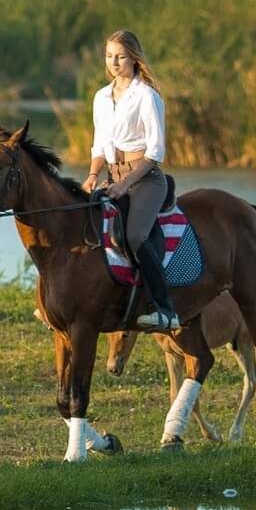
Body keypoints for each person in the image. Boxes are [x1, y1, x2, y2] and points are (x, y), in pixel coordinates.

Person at [83, 30, 179, 331]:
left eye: (120, 56)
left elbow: (155, 152)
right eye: (109, 55)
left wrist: (125, 184)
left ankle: (165, 309)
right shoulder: (101, 97)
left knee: (136, 236)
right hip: (112, 174)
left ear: (134, 58)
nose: (113, 62)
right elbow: (100, 144)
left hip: (145, 178)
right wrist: (92, 176)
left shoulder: (147, 96)